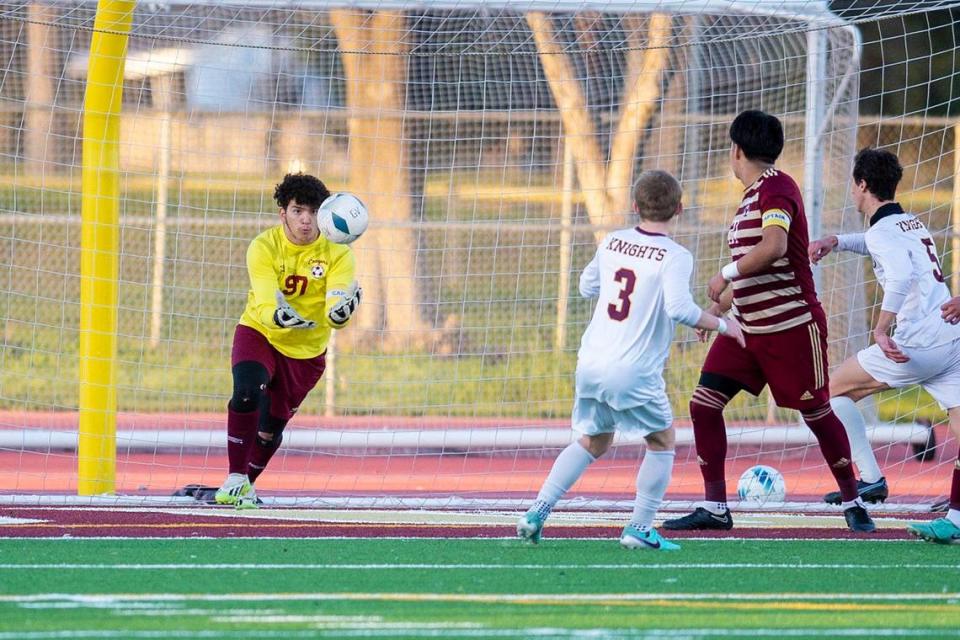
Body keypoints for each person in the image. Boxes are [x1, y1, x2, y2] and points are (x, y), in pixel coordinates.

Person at [663, 110, 875, 533]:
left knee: (816, 412)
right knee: (703, 406)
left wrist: (723, 274)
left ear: (737, 150)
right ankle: (717, 507)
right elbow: (756, 266)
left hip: (792, 328)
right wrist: (720, 309)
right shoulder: (753, 195)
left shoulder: (777, 188)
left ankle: (854, 499)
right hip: (748, 330)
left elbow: (775, 246)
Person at [516, 170, 746, 550]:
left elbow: (586, 286)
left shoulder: (613, 241)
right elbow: (679, 308)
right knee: (661, 439)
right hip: (633, 368)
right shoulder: (675, 255)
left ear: (634, 206)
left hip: (591, 360)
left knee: (594, 440)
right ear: (680, 209)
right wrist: (723, 325)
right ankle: (639, 528)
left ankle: (536, 512)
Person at [808, 148, 960, 543]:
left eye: (853, 186)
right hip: (950, 338)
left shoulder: (882, 231)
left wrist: (880, 329)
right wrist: (837, 241)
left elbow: (900, 276)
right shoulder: (910, 222)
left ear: (862, 185)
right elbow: (880, 244)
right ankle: (957, 518)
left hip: (916, 344)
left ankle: (871, 479)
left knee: (828, 392)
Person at [214, 173, 363, 509]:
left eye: (312, 211)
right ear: (283, 213)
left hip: (306, 352)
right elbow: (266, 300)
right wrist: (276, 316)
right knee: (248, 390)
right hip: (260, 332)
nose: (306, 220)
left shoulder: (339, 253)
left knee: (269, 431)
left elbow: (336, 307)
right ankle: (235, 477)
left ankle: (246, 487)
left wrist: (341, 314)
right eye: (298, 211)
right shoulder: (263, 246)